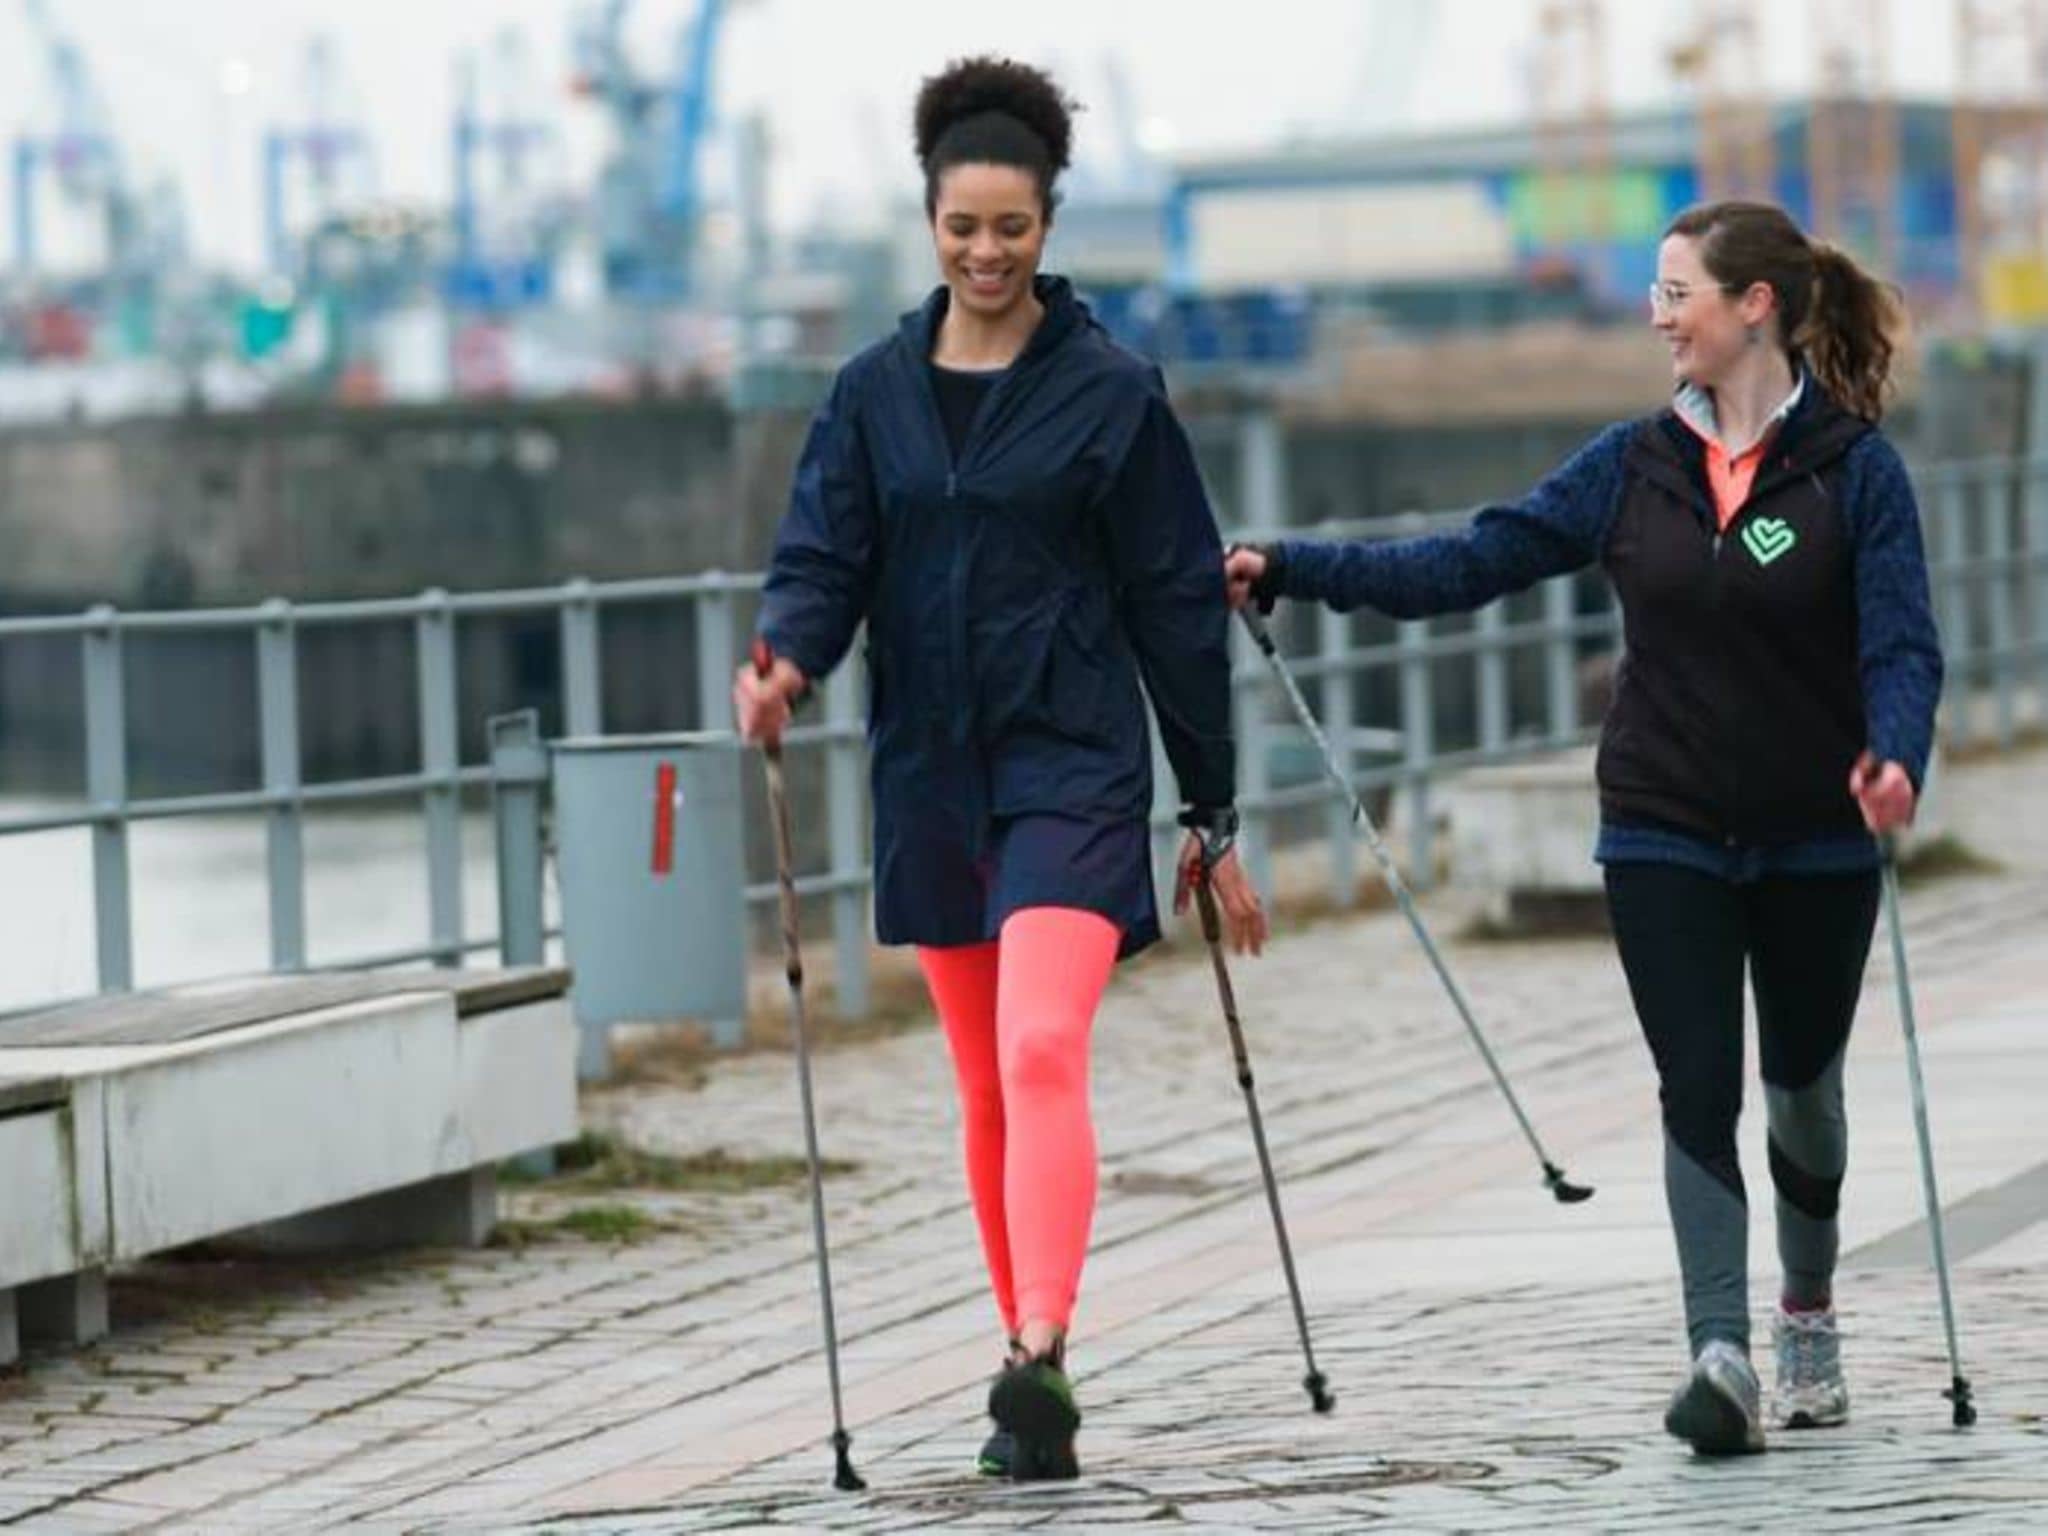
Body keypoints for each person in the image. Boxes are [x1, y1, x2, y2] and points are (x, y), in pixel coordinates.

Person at [1226, 200, 1942, 1456]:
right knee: (1694, 1087)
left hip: (1813, 837)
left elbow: (1900, 646)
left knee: (1801, 1094)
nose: (1656, 318)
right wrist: (1291, 566)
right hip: (1661, 824)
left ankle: (1806, 1313)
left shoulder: (1853, 473)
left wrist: (1893, 756)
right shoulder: (1630, 465)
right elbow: (1467, 561)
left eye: (1675, 294)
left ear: (1752, 307)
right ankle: (1717, 1354)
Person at [734, 55, 1266, 1482]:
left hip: (1073, 761)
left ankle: (1037, 1347)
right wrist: (785, 661)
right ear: (929, 221)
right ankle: (1030, 1382)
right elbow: (823, 558)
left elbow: (1172, 600)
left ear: (1048, 225)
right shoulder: (870, 395)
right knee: (981, 1080)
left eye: (1011, 228)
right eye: (962, 227)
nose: (986, 252)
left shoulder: (1111, 393)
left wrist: (1209, 805)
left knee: (1039, 1046)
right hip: (930, 771)